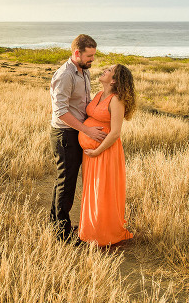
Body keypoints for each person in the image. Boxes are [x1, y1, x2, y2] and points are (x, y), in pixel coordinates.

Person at [49, 34, 106, 243]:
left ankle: (56, 224)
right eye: (89, 56)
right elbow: (61, 111)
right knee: (66, 183)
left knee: (64, 181)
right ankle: (62, 234)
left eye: (93, 55)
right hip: (65, 134)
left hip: (77, 132)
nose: (93, 60)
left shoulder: (84, 72)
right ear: (77, 53)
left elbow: (84, 103)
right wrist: (88, 130)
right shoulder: (65, 75)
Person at [78, 64, 136, 246]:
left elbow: (115, 132)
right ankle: (91, 231)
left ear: (114, 80)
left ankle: (103, 235)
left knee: (102, 192)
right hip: (91, 154)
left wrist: (97, 150)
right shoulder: (98, 95)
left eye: (109, 69)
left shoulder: (116, 100)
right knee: (92, 190)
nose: (104, 69)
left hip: (104, 153)